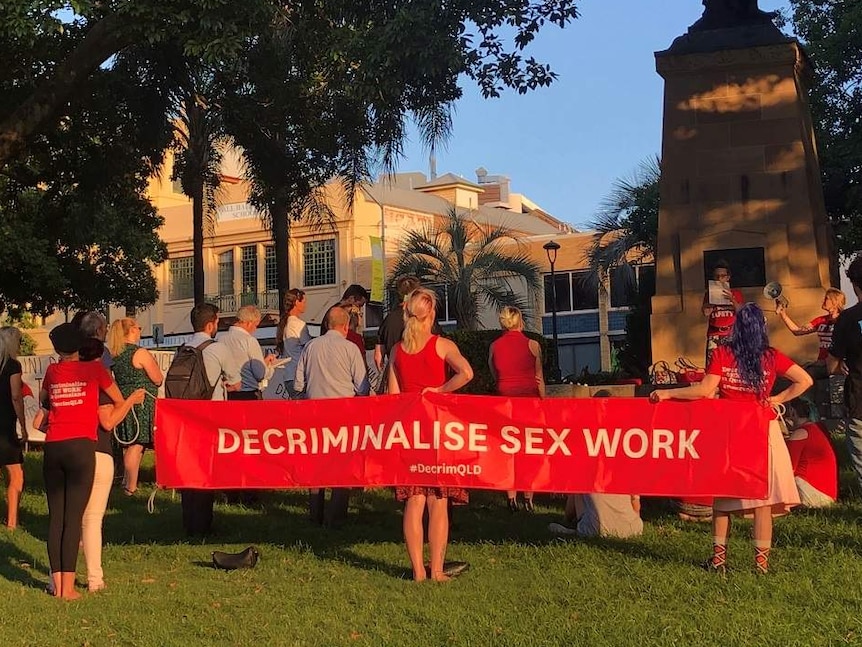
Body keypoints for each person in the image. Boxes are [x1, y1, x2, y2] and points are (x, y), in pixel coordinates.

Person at [651, 303, 813, 574]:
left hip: (730, 433)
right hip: (763, 431)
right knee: (762, 501)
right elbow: (805, 380)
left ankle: (718, 560)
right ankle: (761, 566)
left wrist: (668, 393)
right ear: (762, 328)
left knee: (723, 501)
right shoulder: (771, 356)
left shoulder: (723, 353)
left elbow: (704, 390)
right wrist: (776, 399)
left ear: (737, 327)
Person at [388, 288, 474, 582]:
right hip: (438, 428)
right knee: (439, 500)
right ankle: (436, 570)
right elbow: (466, 373)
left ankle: (417, 572)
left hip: (410, 430)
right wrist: (440, 390)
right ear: (432, 314)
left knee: (414, 500)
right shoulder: (442, 344)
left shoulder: (397, 350)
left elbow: (392, 396)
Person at [40, 323, 124, 600]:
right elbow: (115, 398)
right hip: (82, 446)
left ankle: (57, 584)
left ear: (57, 349)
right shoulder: (94, 370)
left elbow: (45, 402)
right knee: (74, 519)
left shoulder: (52, 372)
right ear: (80, 346)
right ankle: (69, 588)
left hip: (53, 446)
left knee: (56, 518)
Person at [295, 306, 370, 527]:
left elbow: (298, 384)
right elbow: (363, 387)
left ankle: (315, 514)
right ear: (346, 326)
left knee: (316, 466)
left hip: (314, 412)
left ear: (327, 324)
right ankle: (336, 516)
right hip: (343, 413)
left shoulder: (309, 347)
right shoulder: (350, 349)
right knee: (342, 466)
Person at [179, 303, 240, 536]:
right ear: (211, 324)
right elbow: (236, 384)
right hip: (210, 415)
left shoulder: (183, 348)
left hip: (185, 415)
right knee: (206, 471)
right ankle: (203, 524)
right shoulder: (218, 349)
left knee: (188, 470)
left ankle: (188, 521)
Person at [549, 390, 643, 539]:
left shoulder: (585, 449)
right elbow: (635, 504)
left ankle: (573, 525)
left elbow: (573, 497)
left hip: (597, 528)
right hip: (633, 528)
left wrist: (567, 518)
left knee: (578, 489)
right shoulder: (627, 450)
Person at [488, 306, 544, 513]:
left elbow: (495, 374)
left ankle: (510, 498)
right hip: (529, 403)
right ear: (520, 321)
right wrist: (544, 402)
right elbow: (539, 378)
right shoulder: (533, 345)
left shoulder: (494, 346)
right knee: (529, 451)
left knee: (508, 451)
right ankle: (528, 498)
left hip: (505, 404)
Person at [107, 318, 163, 496]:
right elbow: (157, 378)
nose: (140, 331)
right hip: (142, 402)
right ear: (131, 330)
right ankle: (130, 485)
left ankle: (127, 481)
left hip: (124, 401)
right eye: (139, 328)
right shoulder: (139, 352)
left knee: (132, 443)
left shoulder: (115, 354)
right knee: (137, 444)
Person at [827, 254, 862, 490]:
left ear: (853, 284)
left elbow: (832, 365)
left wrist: (841, 366)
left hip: (859, 399)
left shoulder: (847, 319)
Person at [375, 276, 442, 393]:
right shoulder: (425, 317)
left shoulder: (388, 320)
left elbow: (378, 357)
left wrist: (389, 374)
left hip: (397, 377)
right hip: (424, 381)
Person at [776, 287, 845, 378]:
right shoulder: (821, 320)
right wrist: (783, 314)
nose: (823, 301)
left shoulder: (844, 319)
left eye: (826, 298)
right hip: (822, 363)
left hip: (837, 365)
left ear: (835, 302)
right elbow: (797, 331)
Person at [783, 399, 837, 508]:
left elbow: (788, 468)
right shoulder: (818, 428)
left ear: (792, 412)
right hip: (827, 493)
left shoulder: (800, 433)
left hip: (812, 494)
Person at [0, 327, 26, 529]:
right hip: (6, 425)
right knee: (16, 474)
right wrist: (23, 426)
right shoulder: (12, 365)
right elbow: (16, 396)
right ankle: (12, 521)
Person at [224, 305, 276, 400]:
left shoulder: (221, 339)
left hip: (228, 392)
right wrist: (269, 366)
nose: (255, 329)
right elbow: (260, 374)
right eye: (255, 325)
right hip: (248, 392)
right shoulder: (249, 340)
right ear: (249, 323)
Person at [702, 261, 744, 366]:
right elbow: (706, 313)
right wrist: (710, 302)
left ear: (728, 277)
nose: (719, 279)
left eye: (722, 276)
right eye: (716, 276)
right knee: (712, 365)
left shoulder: (736, 293)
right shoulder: (708, 294)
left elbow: (741, 311)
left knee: (733, 364)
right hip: (714, 334)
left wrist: (732, 299)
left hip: (731, 333)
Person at [275, 289, 312, 400]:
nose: (306, 305)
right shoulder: (299, 324)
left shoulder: (285, 323)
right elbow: (309, 348)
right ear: (296, 302)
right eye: (304, 301)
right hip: (299, 376)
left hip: (288, 376)